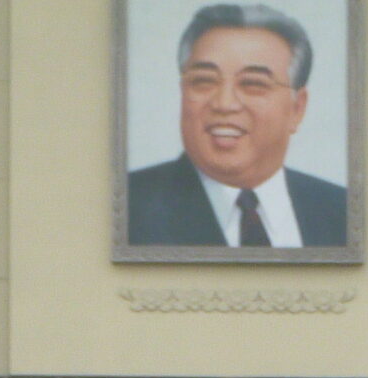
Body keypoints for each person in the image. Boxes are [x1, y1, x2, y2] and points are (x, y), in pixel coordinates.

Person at [125, 2, 349, 249]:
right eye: (203, 81)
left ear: (297, 108)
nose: (224, 104)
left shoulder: (343, 211)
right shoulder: (127, 207)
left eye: (253, 83)